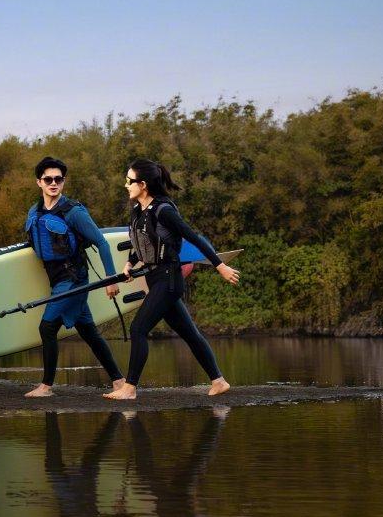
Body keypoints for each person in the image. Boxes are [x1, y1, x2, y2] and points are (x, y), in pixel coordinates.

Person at [104, 159, 240, 401]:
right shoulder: (138, 212)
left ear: (143, 184)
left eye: (129, 181)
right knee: (189, 333)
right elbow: (142, 244)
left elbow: (195, 238)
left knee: (138, 328)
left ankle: (130, 388)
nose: (126, 185)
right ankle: (219, 381)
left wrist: (220, 266)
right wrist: (128, 265)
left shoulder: (164, 211)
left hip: (168, 279)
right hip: (155, 279)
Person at [23, 156, 125, 398]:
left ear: (63, 182)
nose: (53, 183)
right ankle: (119, 381)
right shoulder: (34, 211)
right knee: (88, 331)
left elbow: (101, 243)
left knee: (47, 327)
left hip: (74, 279)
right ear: (39, 182)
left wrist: (111, 280)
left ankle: (46, 387)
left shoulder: (73, 212)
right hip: (56, 280)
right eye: (48, 179)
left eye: (58, 179)